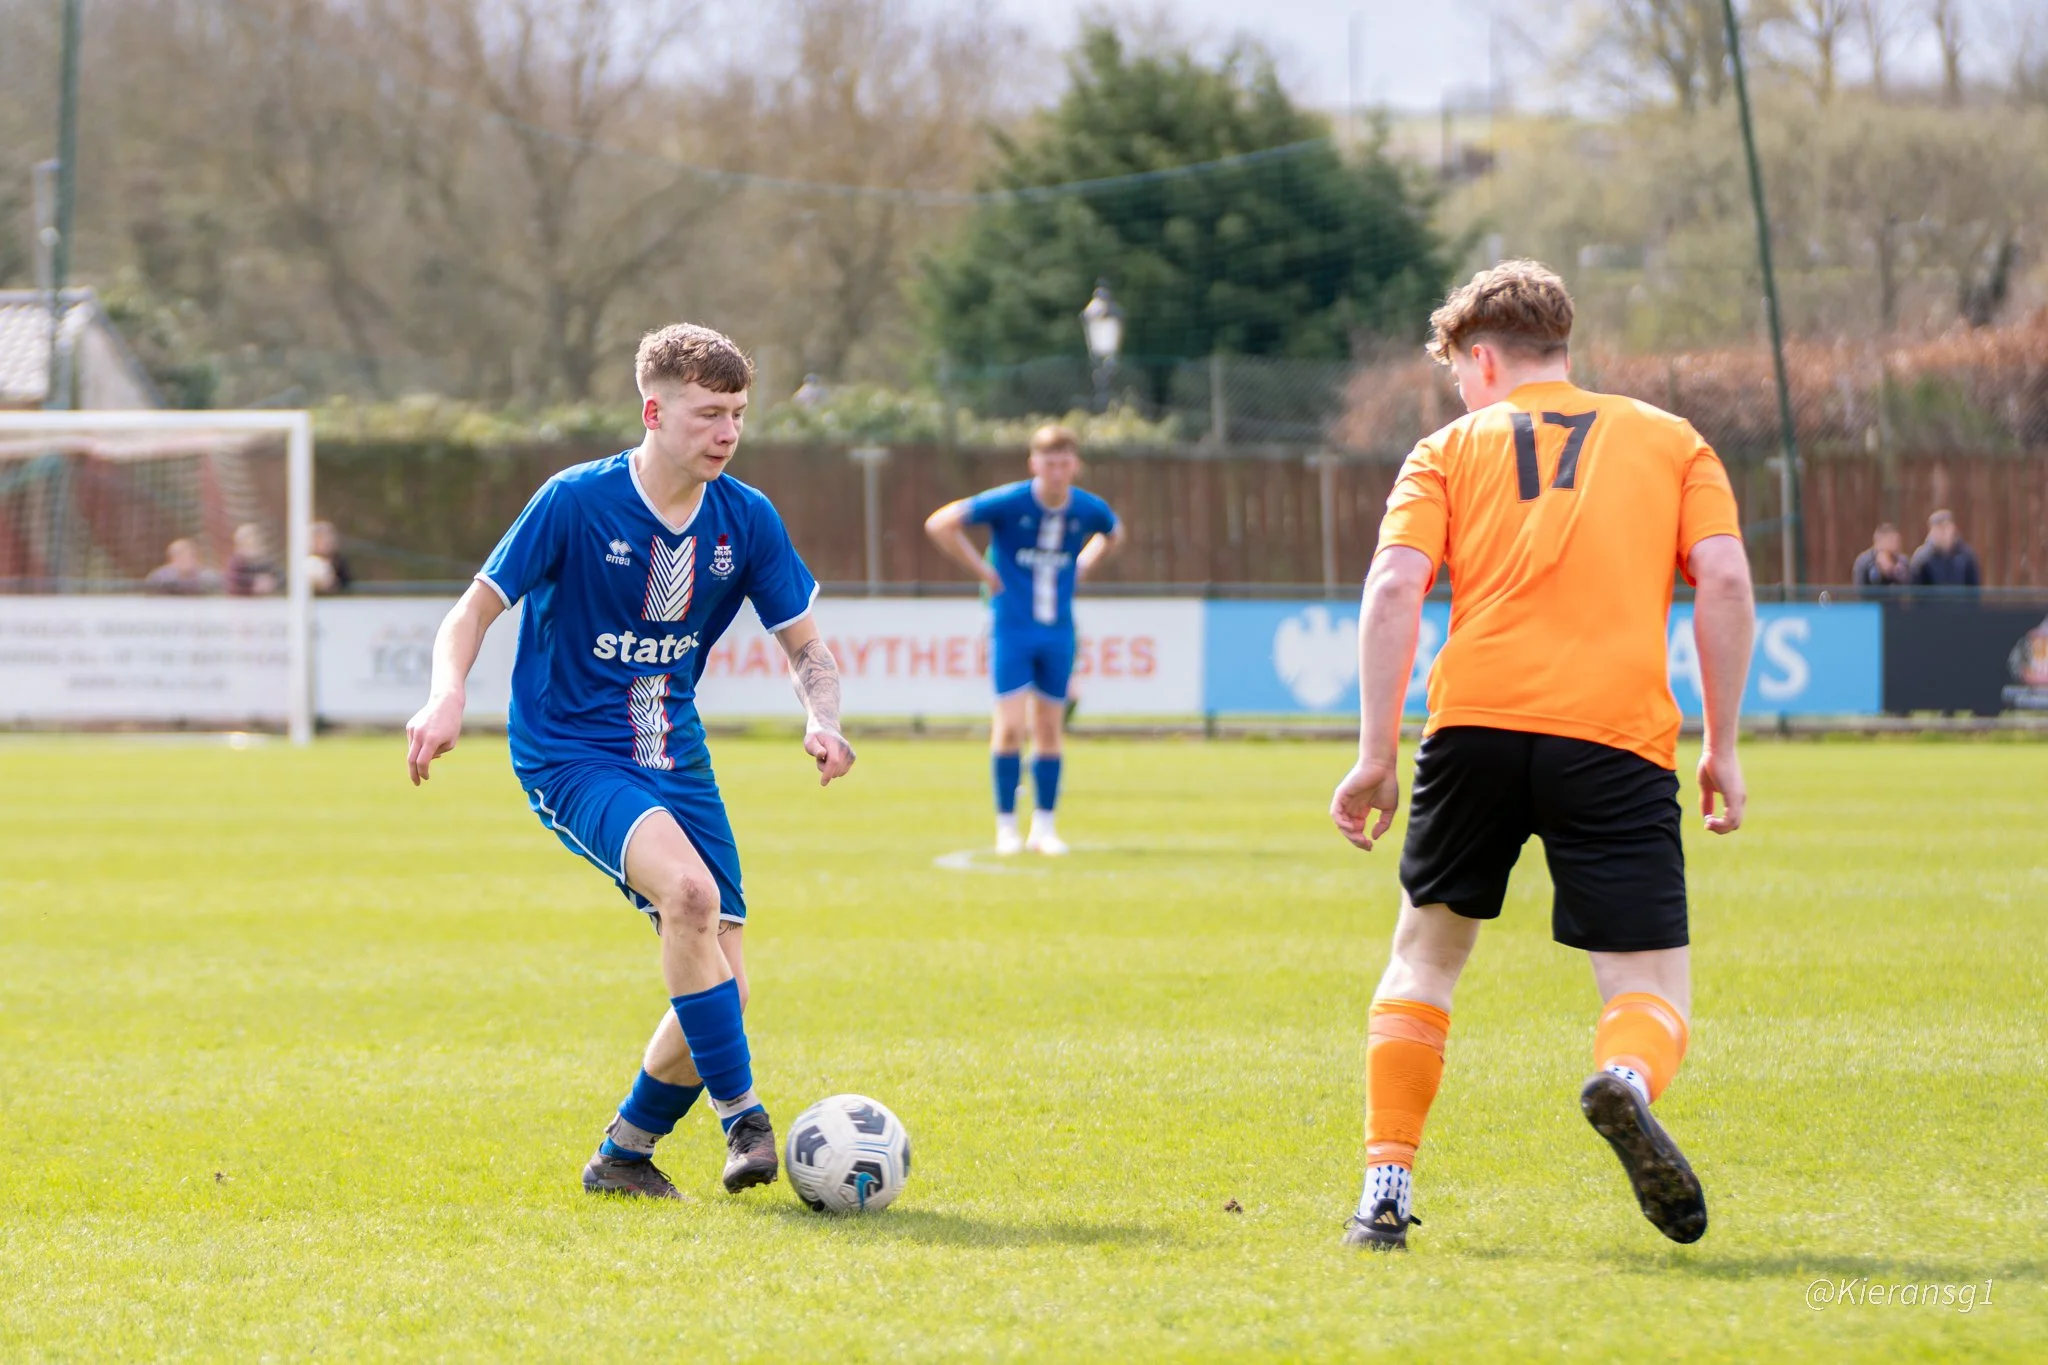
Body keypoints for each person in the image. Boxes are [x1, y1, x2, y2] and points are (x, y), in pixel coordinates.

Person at [1329, 260, 1755, 1252]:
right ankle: (1626, 1081)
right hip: (1613, 737)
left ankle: (1383, 1190)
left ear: (1480, 359)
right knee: (1644, 983)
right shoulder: (1671, 442)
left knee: (1423, 959)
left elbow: (1393, 592)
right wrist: (1723, 746)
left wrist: (1372, 754)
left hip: (1471, 726)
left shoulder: (1442, 449)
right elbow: (1724, 582)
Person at [404, 324, 855, 1201]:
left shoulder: (746, 518)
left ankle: (625, 1152)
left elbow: (808, 648)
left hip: (673, 752)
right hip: (571, 751)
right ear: (654, 411)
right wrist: (447, 693)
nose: (725, 432)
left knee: (725, 982)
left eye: (736, 415)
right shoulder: (575, 501)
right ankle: (745, 1117)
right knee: (688, 896)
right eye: (706, 414)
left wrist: (823, 717)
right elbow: (471, 611)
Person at [924, 425, 1124, 856]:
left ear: (1075, 465)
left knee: (1050, 727)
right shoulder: (1011, 502)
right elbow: (941, 523)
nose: (1056, 470)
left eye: (1064, 462)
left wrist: (1085, 563)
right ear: (1034, 464)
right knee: (1011, 726)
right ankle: (1006, 827)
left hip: (1058, 631)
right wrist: (984, 572)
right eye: (1048, 462)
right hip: (1011, 629)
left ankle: (1045, 828)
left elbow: (1114, 532)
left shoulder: (1086, 509)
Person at [1909, 509, 1982, 589]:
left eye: (1946, 527)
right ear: (1931, 531)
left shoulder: (1966, 556)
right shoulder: (1922, 558)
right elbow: (1916, 590)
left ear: (1953, 529)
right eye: (1938, 528)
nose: (1943, 532)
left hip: (1959, 601)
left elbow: (1974, 588)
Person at [143, 538, 221, 595]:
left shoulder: (209, 578)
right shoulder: (160, 578)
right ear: (172, 559)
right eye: (179, 556)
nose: (185, 560)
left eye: (188, 556)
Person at [1850, 522, 1909, 589]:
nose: (1897, 545)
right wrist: (1880, 571)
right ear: (1879, 542)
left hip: (1894, 599)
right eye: (1891, 541)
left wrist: (1893, 571)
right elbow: (1860, 589)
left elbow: (1908, 587)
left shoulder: (1902, 561)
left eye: (1898, 541)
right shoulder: (1864, 562)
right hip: (1871, 598)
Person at [226, 523, 279, 596]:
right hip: (241, 602)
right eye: (245, 545)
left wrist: (271, 582)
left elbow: (278, 576)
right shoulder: (237, 561)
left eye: (253, 544)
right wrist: (254, 582)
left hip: (264, 602)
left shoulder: (266, 561)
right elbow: (233, 580)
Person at [308, 520, 354, 594]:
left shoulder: (340, 563)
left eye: (328, 538)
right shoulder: (304, 563)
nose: (326, 542)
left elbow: (346, 585)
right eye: (320, 538)